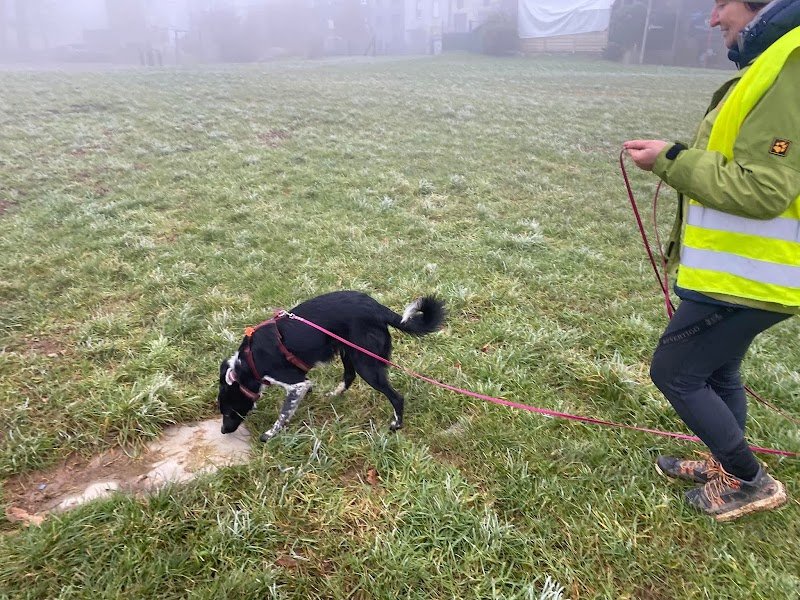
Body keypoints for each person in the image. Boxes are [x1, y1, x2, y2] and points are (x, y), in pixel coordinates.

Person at [623, 0, 800, 522]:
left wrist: (671, 161)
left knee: (675, 371)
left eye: (722, 3)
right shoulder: (773, 58)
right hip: (740, 273)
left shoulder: (790, 63)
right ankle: (727, 464)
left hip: (757, 276)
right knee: (719, 369)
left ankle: (749, 480)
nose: (713, 17)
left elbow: (766, 188)